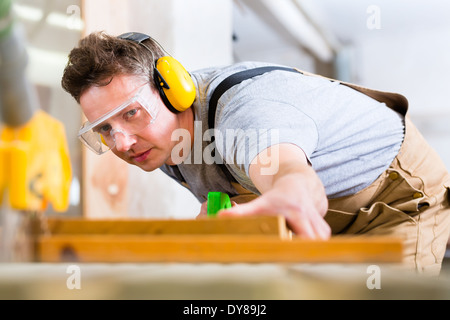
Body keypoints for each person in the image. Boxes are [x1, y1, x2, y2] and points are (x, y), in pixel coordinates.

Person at [61, 31, 450, 274]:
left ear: (172, 89)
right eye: (105, 129)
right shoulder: (157, 143)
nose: (123, 143)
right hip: (325, 219)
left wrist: (289, 194)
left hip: (397, 198)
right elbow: (228, 186)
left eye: (131, 113)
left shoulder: (247, 111)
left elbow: (290, 178)